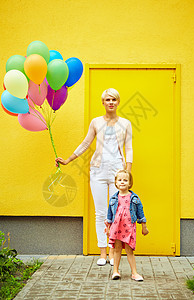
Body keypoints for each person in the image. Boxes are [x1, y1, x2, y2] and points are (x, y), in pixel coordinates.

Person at [55, 88, 133, 266]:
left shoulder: (126, 123)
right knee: (100, 213)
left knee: (115, 213)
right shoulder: (96, 122)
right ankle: (103, 254)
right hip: (97, 171)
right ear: (103, 102)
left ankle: (113, 253)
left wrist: (127, 171)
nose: (111, 102)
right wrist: (68, 159)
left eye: (114, 99)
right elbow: (85, 143)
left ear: (118, 102)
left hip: (117, 173)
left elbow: (129, 148)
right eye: (107, 99)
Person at [105, 169, 149, 280]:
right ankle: (115, 271)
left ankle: (134, 273)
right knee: (117, 249)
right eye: (119, 180)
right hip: (117, 228)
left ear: (129, 183)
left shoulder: (134, 198)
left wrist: (144, 226)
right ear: (116, 183)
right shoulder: (114, 199)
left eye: (125, 180)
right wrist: (108, 228)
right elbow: (109, 215)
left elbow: (140, 213)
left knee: (130, 250)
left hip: (129, 228)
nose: (122, 182)